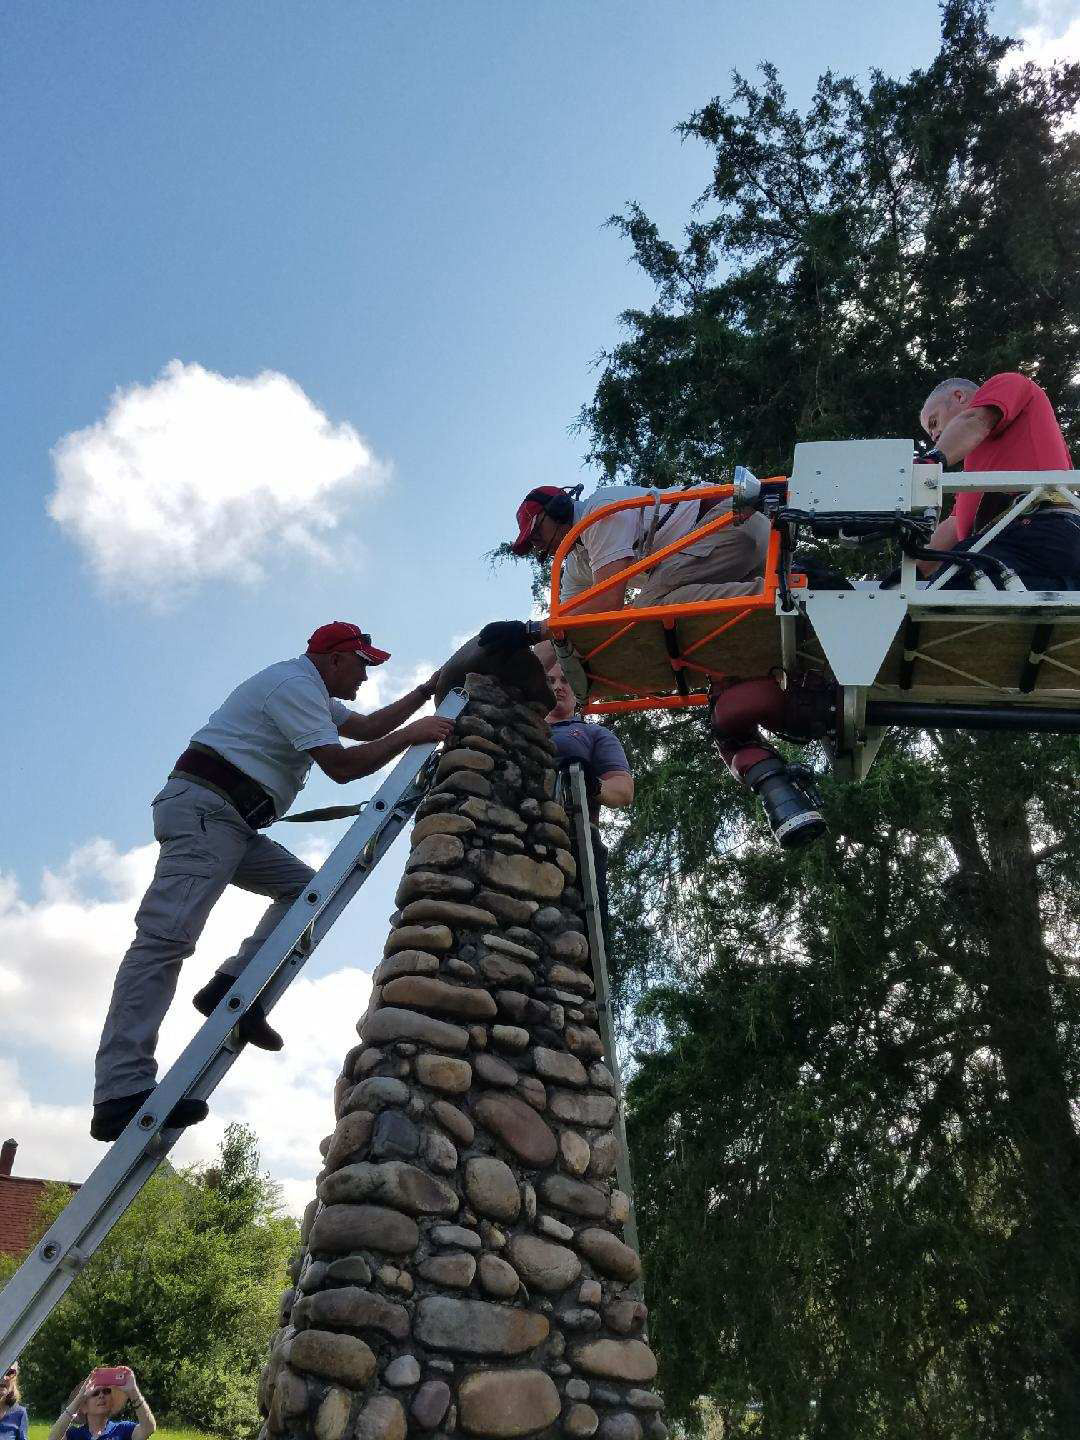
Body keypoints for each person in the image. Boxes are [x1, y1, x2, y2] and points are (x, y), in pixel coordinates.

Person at [91, 621, 453, 1142]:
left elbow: (369, 727)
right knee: (164, 941)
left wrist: (424, 693)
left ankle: (231, 986)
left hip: (230, 819)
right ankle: (119, 1092)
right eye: (362, 664)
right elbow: (344, 768)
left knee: (304, 891)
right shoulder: (294, 687)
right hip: (207, 813)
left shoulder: (314, 694)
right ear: (332, 659)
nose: (365, 676)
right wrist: (415, 735)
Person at [918, 372, 1079, 588]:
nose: (935, 435)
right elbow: (953, 527)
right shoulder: (975, 474)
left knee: (948, 588)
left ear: (959, 396)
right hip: (1024, 547)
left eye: (934, 422)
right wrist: (910, 571)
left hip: (1036, 530)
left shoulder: (1007, 383)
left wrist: (930, 461)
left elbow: (975, 420)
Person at [510, 481, 771, 612]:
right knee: (659, 601)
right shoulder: (578, 564)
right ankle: (776, 590)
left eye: (536, 533)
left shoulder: (598, 514)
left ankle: (780, 595)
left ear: (558, 508)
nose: (537, 545)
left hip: (731, 522)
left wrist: (534, 631)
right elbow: (567, 620)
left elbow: (607, 601)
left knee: (647, 609)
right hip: (738, 551)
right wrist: (532, 648)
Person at [540, 651, 634, 936]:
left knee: (583, 933)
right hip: (517, 826)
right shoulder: (516, 723)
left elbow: (623, 790)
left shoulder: (594, 734)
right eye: (550, 680)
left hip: (576, 833)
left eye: (566, 680)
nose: (558, 686)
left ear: (578, 691)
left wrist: (593, 785)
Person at [47, 1368, 155, 1439]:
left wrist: (133, 1391)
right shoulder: (74, 1435)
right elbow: (53, 1438)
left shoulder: (123, 1429)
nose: (101, 1395)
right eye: (95, 1393)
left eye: (106, 1391)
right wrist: (79, 1398)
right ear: (84, 1407)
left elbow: (149, 1429)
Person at [0, 1362, 28, 1440]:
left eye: (9, 1372)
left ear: (14, 1379)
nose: (4, 1377)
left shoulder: (20, 1413)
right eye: (1, 1370)